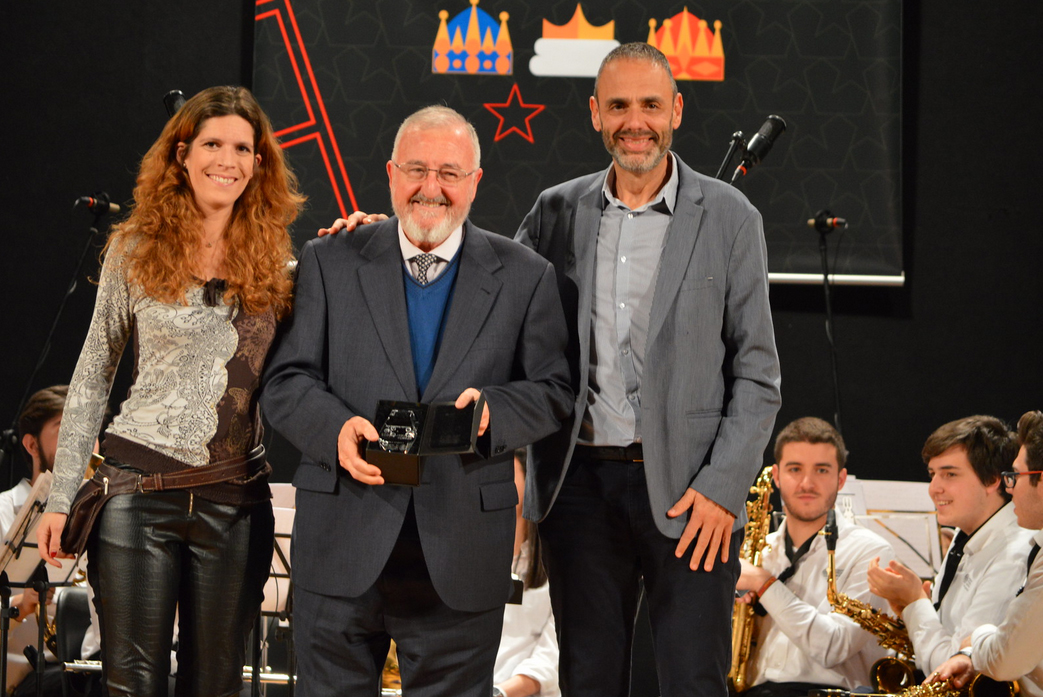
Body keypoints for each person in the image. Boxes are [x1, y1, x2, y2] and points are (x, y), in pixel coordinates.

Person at [317, 42, 781, 697]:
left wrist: (722, 488)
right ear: (595, 113)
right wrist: (382, 241)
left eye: (650, 105)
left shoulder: (730, 217)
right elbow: (482, 289)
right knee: (586, 678)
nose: (635, 121)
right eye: (618, 106)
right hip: (578, 488)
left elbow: (758, 374)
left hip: (692, 495)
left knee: (692, 680)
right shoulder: (556, 210)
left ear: (676, 110)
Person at [260, 105, 572, 697]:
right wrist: (335, 430)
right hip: (342, 537)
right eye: (417, 169)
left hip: (461, 549)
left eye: (449, 173)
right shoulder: (329, 259)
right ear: (391, 174)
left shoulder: (526, 276)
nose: (432, 187)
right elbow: (285, 381)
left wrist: (494, 413)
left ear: (475, 181)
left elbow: (554, 389)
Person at [35, 85, 305, 697]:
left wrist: (361, 242)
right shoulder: (133, 248)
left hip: (235, 503)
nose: (227, 160)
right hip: (136, 494)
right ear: (182, 154)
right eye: (212, 144)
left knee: (217, 686)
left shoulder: (281, 268)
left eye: (243, 148)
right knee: (132, 686)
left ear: (259, 164)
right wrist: (61, 497)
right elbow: (93, 373)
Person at [735, 417, 894, 696]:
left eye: (821, 470)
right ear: (776, 476)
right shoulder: (757, 553)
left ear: (840, 479)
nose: (807, 483)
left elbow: (834, 647)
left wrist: (763, 583)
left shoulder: (870, 552)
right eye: (795, 469)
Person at [866, 415, 1034, 676]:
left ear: (992, 479)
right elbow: (943, 631)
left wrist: (914, 602)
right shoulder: (964, 531)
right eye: (932, 474)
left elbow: (953, 672)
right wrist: (914, 610)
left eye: (950, 474)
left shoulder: (1013, 555)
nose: (934, 488)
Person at [929, 410, 1043, 696]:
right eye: (933, 474)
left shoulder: (1020, 549)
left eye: (1015, 476)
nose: (1010, 488)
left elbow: (1005, 659)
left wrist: (913, 604)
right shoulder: (962, 536)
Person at [494, 450, 559, 697]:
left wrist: (501, 692)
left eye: (505, 473)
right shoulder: (468, 555)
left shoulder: (552, 558)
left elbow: (553, 653)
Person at [3, 385, 68, 537]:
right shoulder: (3, 512)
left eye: (91, 433)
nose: (83, 444)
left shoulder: (104, 516)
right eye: (66, 431)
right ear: (32, 445)